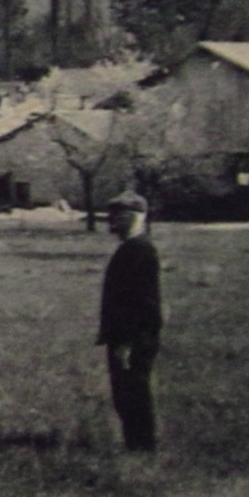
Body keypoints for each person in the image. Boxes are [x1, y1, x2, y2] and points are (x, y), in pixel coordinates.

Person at [97, 189, 162, 452]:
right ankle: (136, 444)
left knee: (133, 390)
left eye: (119, 216)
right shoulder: (130, 248)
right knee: (125, 391)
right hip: (126, 335)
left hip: (134, 336)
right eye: (112, 216)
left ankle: (142, 447)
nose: (112, 222)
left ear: (137, 217)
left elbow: (139, 303)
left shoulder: (140, 250)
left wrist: (126, 341)